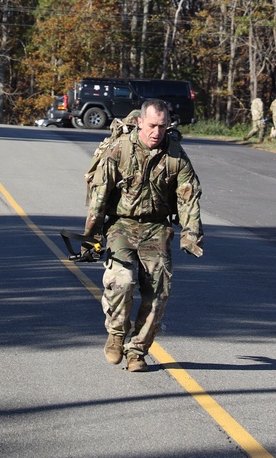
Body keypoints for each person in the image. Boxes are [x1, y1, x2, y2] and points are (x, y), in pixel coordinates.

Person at [84, 98, 203, 373]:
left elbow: (188, 197)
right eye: (151, 125)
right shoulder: (120, 149)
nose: (156, 132)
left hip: (156, 228)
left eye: (162, 126)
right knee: (122, 281)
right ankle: (116, 333)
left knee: (159, 293)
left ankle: (137, 351)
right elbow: (100, 196)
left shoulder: (176, 156)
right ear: (139, 122)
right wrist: (90, 235)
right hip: (121, 225)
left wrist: (190, 233)